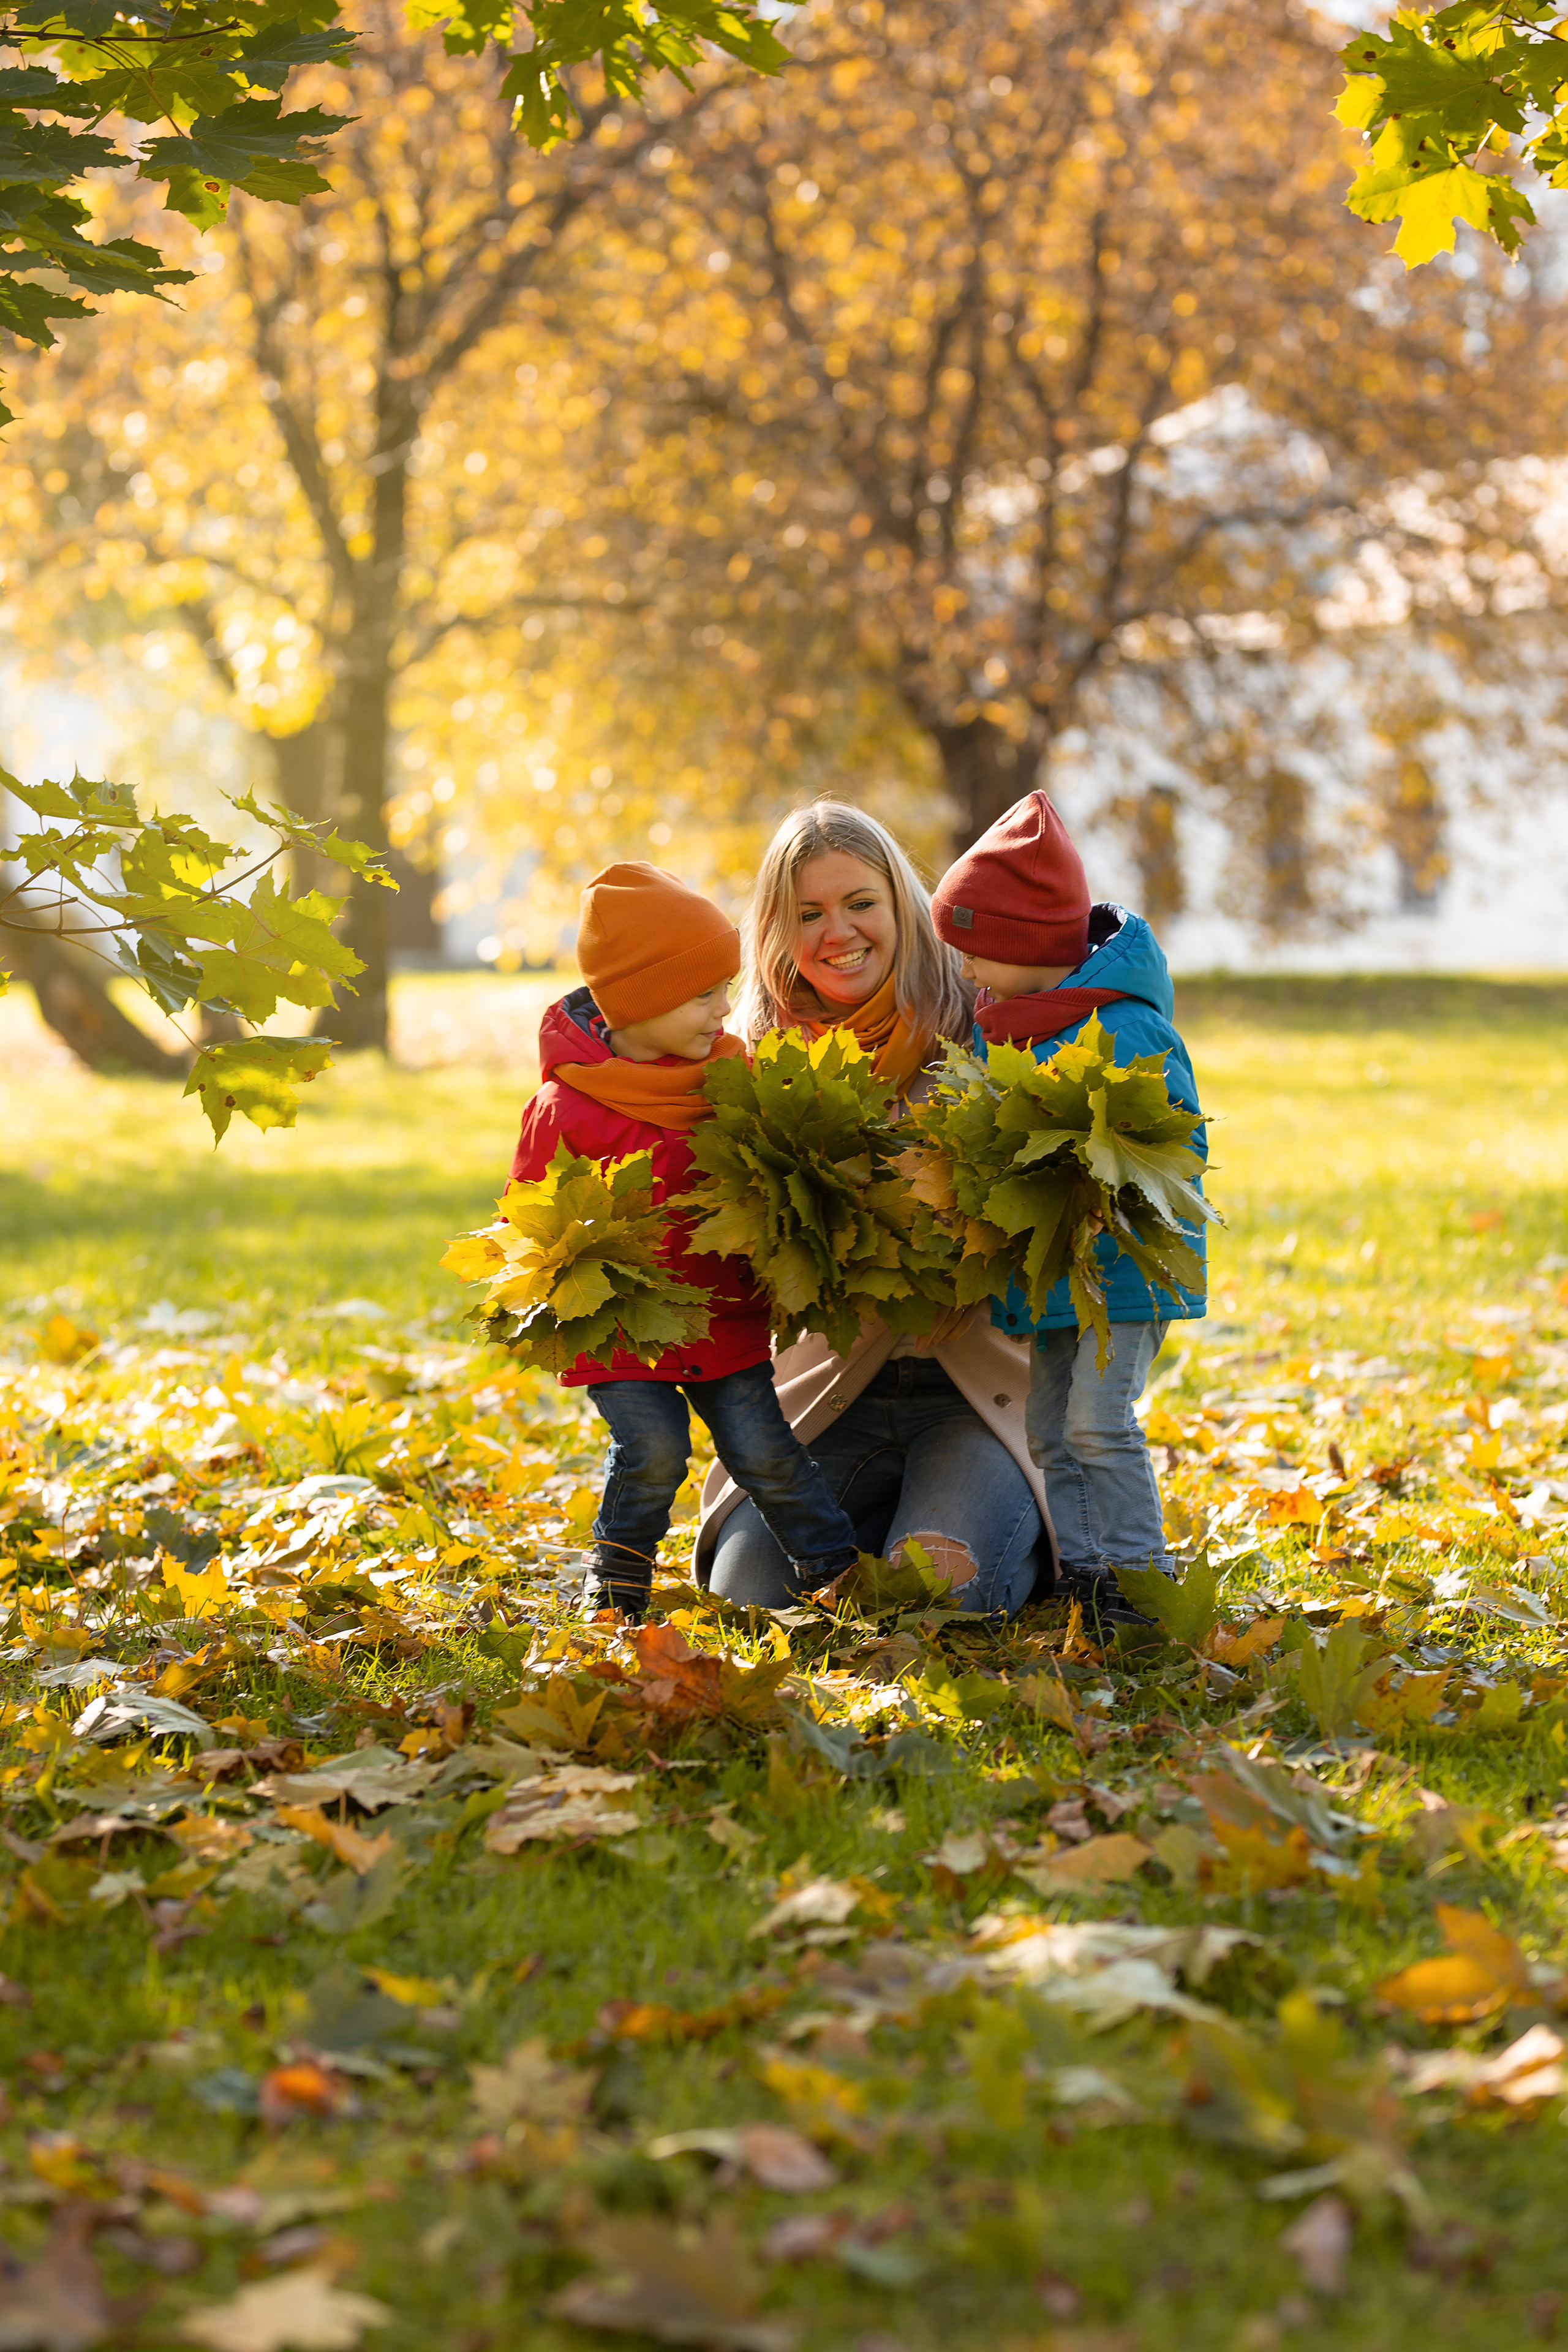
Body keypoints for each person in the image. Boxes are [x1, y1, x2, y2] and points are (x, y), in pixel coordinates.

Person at [696, 802, 1056, 1616]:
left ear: (902, 906)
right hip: (824, 1401)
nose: (837, 933)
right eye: (808, 913)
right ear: (777, 929)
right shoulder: (751, 1058)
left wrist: (977, 1275)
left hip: (976, 1397)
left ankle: (1006, 1535)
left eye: (860, 904)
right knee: (748, 1604)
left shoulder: (986, 1030)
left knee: (939, 1602)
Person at [507, 861, 861, 1622]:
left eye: (723, 990)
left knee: (764, 1451)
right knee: (654, 1453)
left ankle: (836, 1572)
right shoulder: (565, 1104)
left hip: (722, 1320)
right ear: (642, 1001)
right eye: (704, 994)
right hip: (623, 1327)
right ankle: (617, 1595)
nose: (723, 1010)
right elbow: (529, 1216)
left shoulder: (731, 1077)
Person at [930, 789, 1207, 1627]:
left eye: (975, 952)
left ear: (1029, 944)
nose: (966, 973)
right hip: (1052, 1277)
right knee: (1053, 1429)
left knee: (1098, 1423)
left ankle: (1141, 1582)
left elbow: (1172, 1150)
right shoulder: (1002, 1028)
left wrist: (1092, 1177)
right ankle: (1089, 1571)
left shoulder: (1128, 1031)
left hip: (1118, 1272)